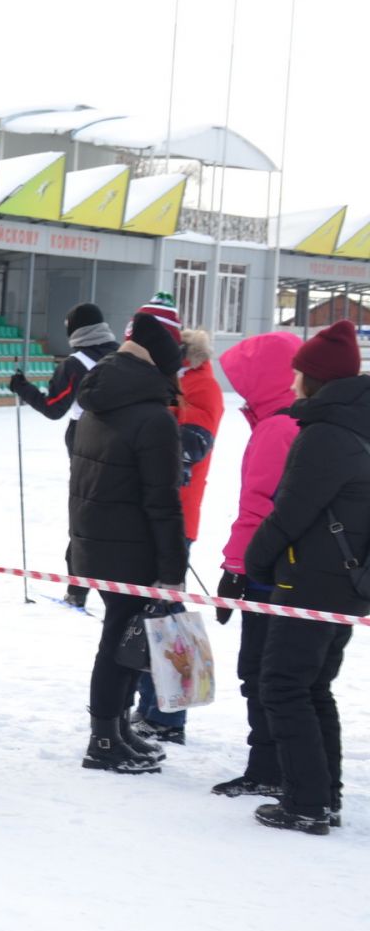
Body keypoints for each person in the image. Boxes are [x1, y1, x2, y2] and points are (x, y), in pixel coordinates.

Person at [244, 320, 370, 835]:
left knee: (284, 687)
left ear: (316, 379)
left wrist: (256, 561)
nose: (292, 384)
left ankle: (306, 803)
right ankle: (323, 797)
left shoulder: (326, 434)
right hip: (341, 578)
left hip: (312, 580)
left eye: (299, 374)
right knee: (314, 687)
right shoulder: (353, 424)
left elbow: (291, 510)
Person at [64, 293, 187, 775]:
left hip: (98, 542)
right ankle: (104, 740)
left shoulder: (100, 398)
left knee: (121, 641)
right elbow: (163, 502)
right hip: (132, 549)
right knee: (122, 646)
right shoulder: (152, 416)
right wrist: (171, 572)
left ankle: (115, 729)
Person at [210, 331, 302, 800]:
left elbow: (257, 509)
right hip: (299, 570)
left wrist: (236, 569)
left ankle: (266, 765)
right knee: (290, 677)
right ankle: (282, 765)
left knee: (260, 670)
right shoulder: (300, 419)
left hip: (270, 571)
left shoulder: (276, 428)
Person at [131, 328, 223, 744]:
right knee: (150, 614)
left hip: (176, 514)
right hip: (157, 510)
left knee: (163, 618)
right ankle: (151, 708)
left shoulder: (200, 386)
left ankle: (166, 717)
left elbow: (191, 445)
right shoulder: (179, 383)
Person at [13, 302, 119, 609]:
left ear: (74, 331)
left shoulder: (75, 364)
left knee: (85, 517)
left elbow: (54, 407)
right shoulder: (124, 353)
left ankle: (78, 591)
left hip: (87, 441)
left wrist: (22, 388)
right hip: (127, 440)